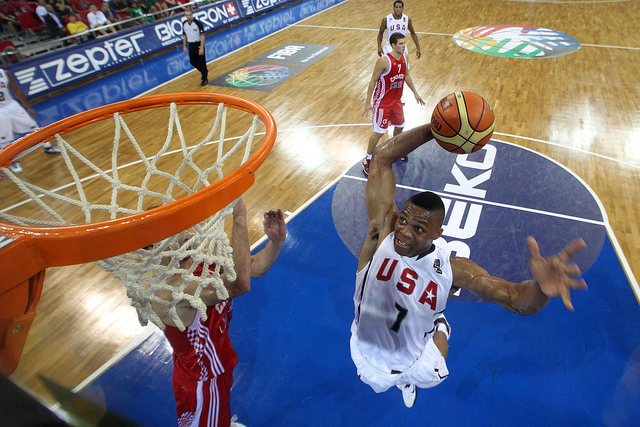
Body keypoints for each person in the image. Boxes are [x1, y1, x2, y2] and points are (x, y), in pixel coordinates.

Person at [350, 123, 588, 408]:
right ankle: (424, 343)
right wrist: (435, 130)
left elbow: (517, 302)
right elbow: (380, 160)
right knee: (381, 372)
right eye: (403, 220)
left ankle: (436, 333)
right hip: (364, 352)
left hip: (416, 363)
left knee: (438, 341)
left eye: (419, 228)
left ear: (437, 234)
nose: (404, 232)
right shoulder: (381, 235)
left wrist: (541, 288)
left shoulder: (454, 270)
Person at [151, 199, 286, 427]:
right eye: (171, 231)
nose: (183, 233)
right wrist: (239, 218)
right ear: (154, 246)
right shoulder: (169, 293)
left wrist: (277, 242)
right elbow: (239, 285)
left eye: (178, 226)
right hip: (202, 382)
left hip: (218, 365)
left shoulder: (199, 262)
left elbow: (256, 267)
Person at [362, 32, 424, 175]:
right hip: (382, 103)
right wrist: (367, 102)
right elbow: (373, 81)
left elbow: (406, 75)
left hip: (396, 101)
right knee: (379, 132)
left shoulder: (405, 58)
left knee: (400, 126)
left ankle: (395, 150)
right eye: (401, 43)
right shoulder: (384, 61)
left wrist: (415, 92)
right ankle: (368, 159)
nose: (404, 46)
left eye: (405, 43)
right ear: (393, 45)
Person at [0, 68, 62, 173]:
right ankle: (11, 161)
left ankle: (47, 146)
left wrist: (28, 107)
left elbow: (15, 89)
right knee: (3, 138)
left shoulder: (4, 73)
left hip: (12, 106)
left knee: (33, 127)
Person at [182, 7, 208, 86]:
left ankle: (204, 78)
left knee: (201, 62)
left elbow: (203, 35)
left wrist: (201, 47)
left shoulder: (198, 23)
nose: (188, 17)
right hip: (191, 45)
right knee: (193, 62)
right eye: (187, 15)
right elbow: (184, 35)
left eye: (190, 15)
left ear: (192, 14)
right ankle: (204, 71)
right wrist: (184, 46)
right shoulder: (184, 24)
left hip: (198, 44)